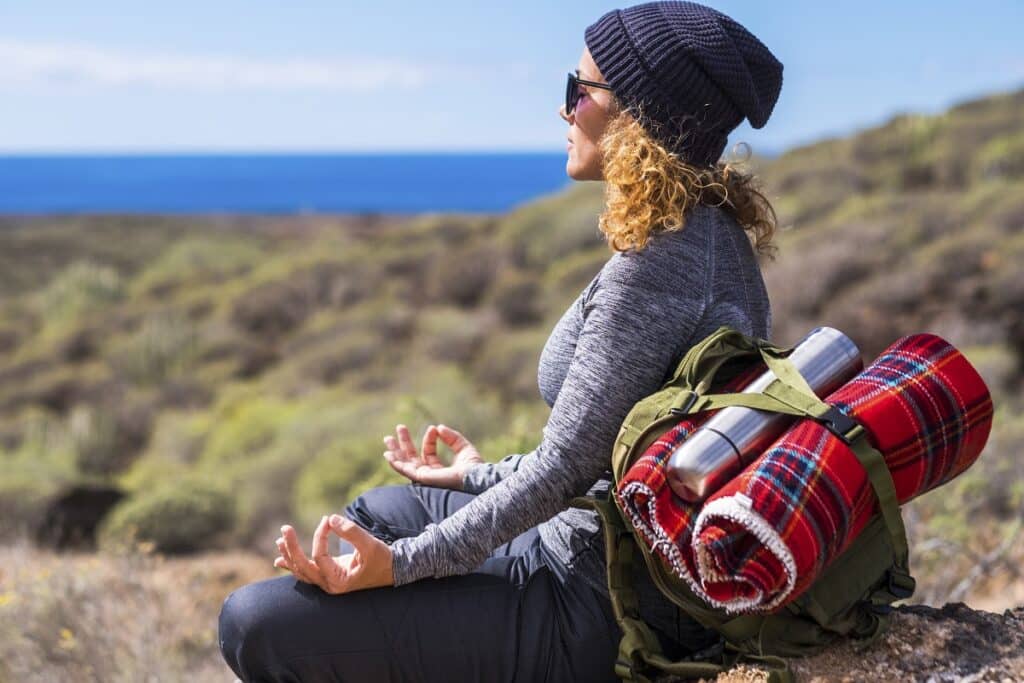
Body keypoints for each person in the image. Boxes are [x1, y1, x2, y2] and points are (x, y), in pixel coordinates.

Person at [218, 2, 784, 681]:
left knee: (253, 623)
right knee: (380, 508)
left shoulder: (661, 267)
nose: (564, 109)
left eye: (580, 90)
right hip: (606, 549)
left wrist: (400, 566)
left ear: (638, 115)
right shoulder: (708, 235)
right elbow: (609, 453)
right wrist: (471, 475)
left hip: (596, 599)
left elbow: (565, 473)